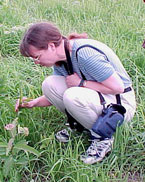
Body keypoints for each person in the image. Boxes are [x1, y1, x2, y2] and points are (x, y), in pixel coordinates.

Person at [15, 22, 136, 164]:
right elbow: (56, 94)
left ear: (51, 46)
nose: (36, 62)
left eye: (37, 56)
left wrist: (81, 83)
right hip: (102, 97)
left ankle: (103, 138)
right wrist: (33, 102)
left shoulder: (84, 54)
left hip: (120, 106)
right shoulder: (63, 58)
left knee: (72, 95)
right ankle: (81, 126)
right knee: (49, 84)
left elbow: (118, 87)